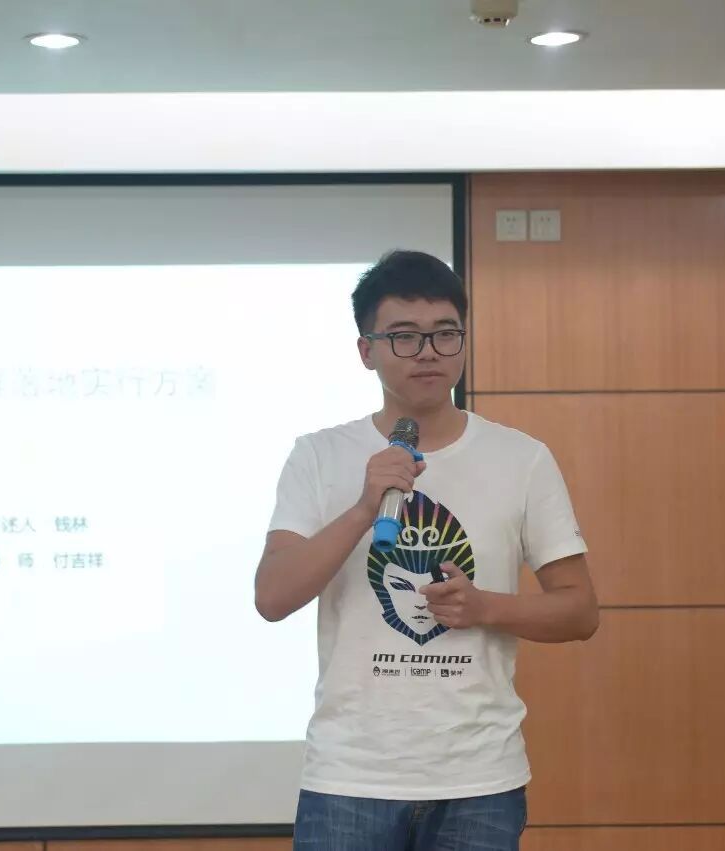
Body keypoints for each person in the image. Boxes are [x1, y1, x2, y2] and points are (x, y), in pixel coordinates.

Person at [255, 249, 599, 851]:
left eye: (445, 333)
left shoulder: (522, 459)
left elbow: (579, 611)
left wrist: (484, 607)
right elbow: (272, 597)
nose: (429, 352)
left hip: (480, 778)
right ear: (366, 350)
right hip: (350, 778)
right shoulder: (318, 456)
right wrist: (363, 509)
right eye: (405, 337)